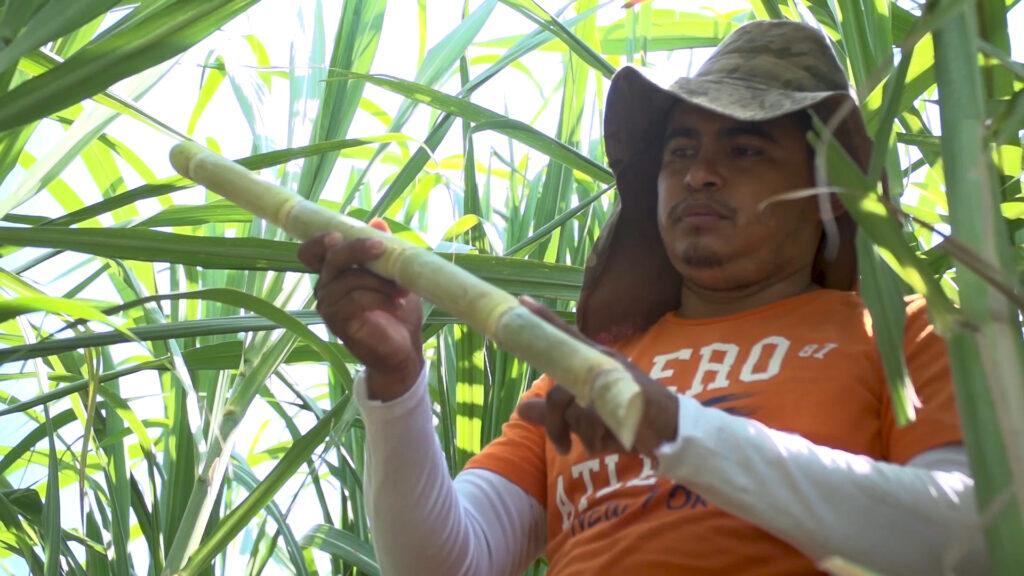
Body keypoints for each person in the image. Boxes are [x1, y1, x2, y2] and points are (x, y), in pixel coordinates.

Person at [297, 20, 988, 576]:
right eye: (680, 151)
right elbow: (449, 564)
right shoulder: (583, 371)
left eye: (745, 150)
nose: (700, 175)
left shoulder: (906, 337)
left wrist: (673, 428)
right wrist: (397, 382)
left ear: (829, 191)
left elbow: (968, 539)